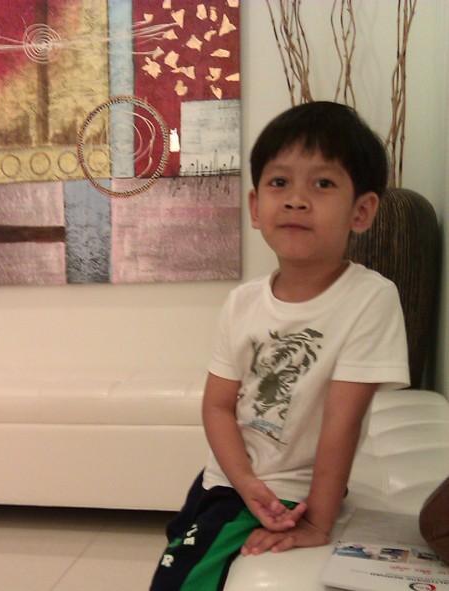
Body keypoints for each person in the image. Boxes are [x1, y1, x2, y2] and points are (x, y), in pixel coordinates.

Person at [150, 101, 410, 591]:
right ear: (255, 207)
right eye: (279, 182)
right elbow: (218, 406)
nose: (296, 200)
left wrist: (318, 522)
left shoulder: (370, 299)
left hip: (289, 492)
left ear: (362, 211)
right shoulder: (243, 302)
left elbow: (342, 422)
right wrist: (244, 480)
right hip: (228, 478)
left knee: (179, 580)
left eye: (323, 183)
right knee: (180, 546)